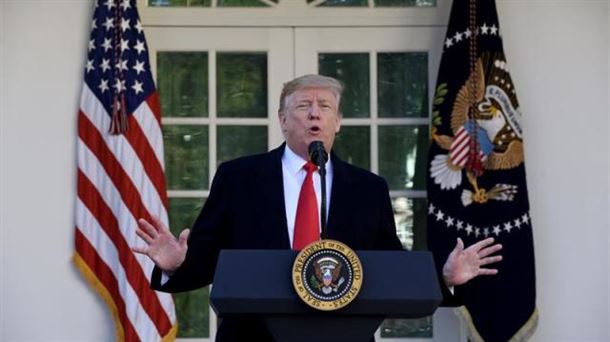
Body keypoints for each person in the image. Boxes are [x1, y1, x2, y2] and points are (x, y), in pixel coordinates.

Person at [133, 74, 503, 341]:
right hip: (252, 337)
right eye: (303, 106)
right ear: (282, 121)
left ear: (337, 122)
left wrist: (443, 277)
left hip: (342, 335)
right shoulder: (238, 178)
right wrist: (177, 265)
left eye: (324, 107)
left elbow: (388, 269)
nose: (314, 114)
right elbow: (211, 259)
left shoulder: (367, 188)